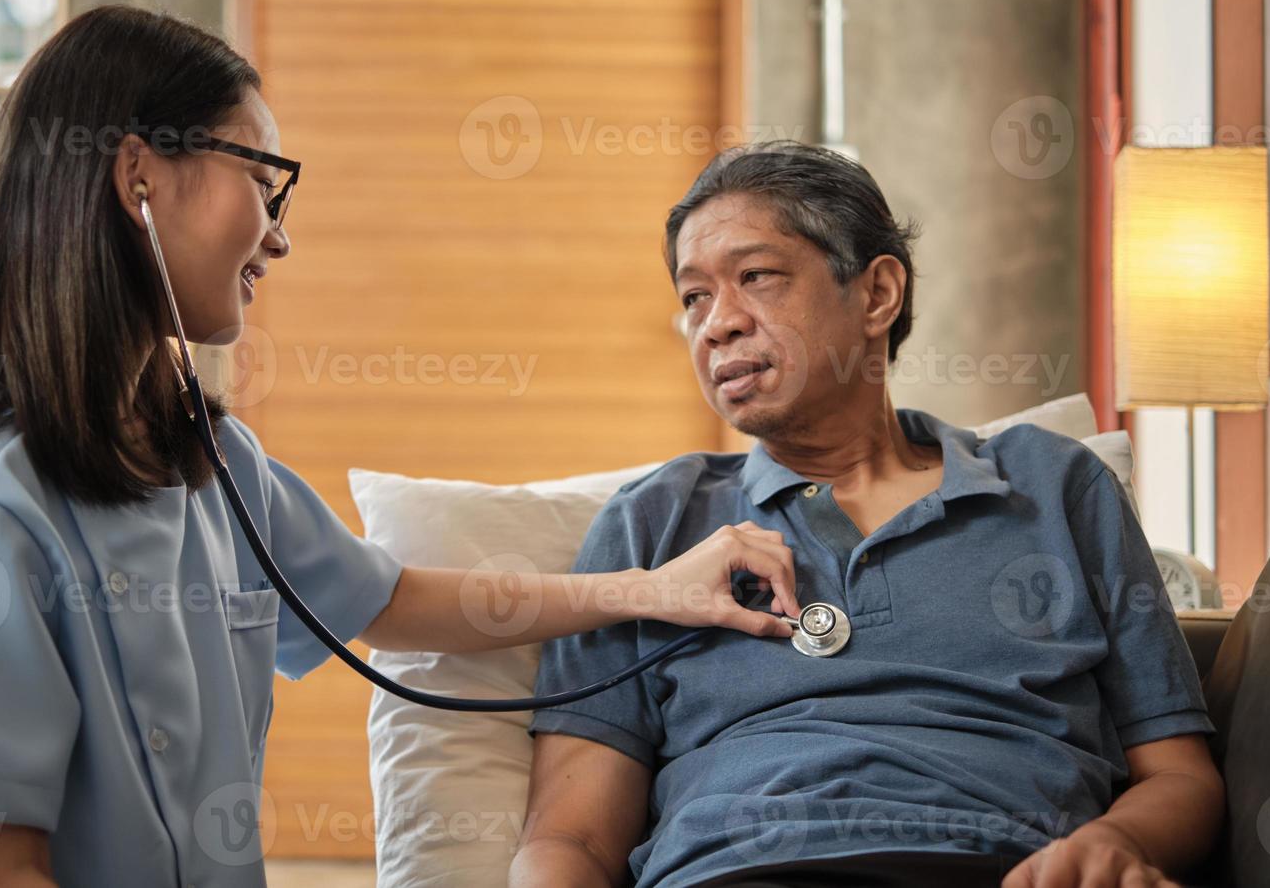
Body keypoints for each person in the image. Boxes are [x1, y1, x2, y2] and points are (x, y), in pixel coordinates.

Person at [0, 5, 803, 888]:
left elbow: (392, 599)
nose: (278, 239)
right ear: (138, 176)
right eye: (263, 188)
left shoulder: (211, 460)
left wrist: (653, 589)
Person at [512, 142, 1224, 888]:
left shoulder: (1055, 486)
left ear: (878, 293)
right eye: (694, 296)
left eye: (755, 277)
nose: (716, 325)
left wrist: (1115, 844)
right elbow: (568, 839)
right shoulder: (652, 524)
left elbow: (1184, 780)